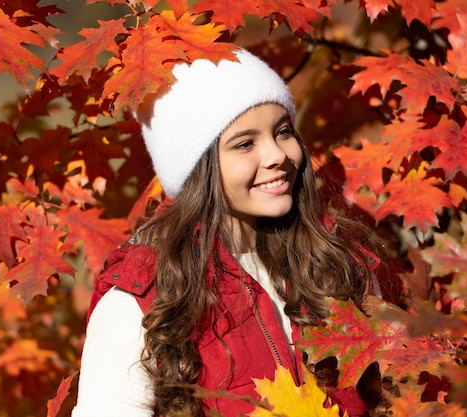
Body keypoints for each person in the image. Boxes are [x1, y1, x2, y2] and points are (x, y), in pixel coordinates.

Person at [72, 48, 396, 417]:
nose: (277, 154)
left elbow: (392, 399)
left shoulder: (335, 263)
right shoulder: (145, 301)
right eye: (245, 144)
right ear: (198, 168)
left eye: (283, 132)